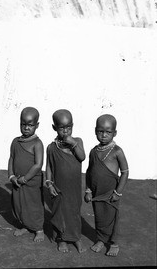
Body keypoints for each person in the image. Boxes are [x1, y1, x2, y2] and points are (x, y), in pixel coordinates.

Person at [84, 114, 129, 257]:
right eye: (100, 131)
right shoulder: (93, 151)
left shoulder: (117, 151)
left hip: (111, 192)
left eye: (108, 132)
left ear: (114, 133)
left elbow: (125, 172)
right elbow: (89, 171)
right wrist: (88, 189)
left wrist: (118, 192)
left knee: (112, 217)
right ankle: (101, 240)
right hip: (97, 192)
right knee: (99, 217)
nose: (103, 135)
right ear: (95, 131)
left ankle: (114, 243)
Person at [45, 109, 86, 253]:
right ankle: (61, 239)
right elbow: (48, 167)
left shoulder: (78, 142)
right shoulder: (51, 147)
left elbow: (82, 157)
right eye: (62, 128)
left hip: (74, 188)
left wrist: (73, 143)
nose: (66, 131)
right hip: (59, 188)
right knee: (59, 213)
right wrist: (49, 183)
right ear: (54, 127)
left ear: (73, 125)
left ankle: (76, 238)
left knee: (74, 212)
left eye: (69, 127)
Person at [8, 107, 44, 242]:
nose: (26, 128)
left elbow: (38, 165)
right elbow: (11, 158)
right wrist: (11, 176)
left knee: (33, 205)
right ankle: (26, 225)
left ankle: (39, 229)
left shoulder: (37, 143)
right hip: (17, 180)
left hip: (31, 182)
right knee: (19, 204)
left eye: (30, 125)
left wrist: (25, 178)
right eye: (23, 124)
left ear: (37, 125)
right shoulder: (15, 141)